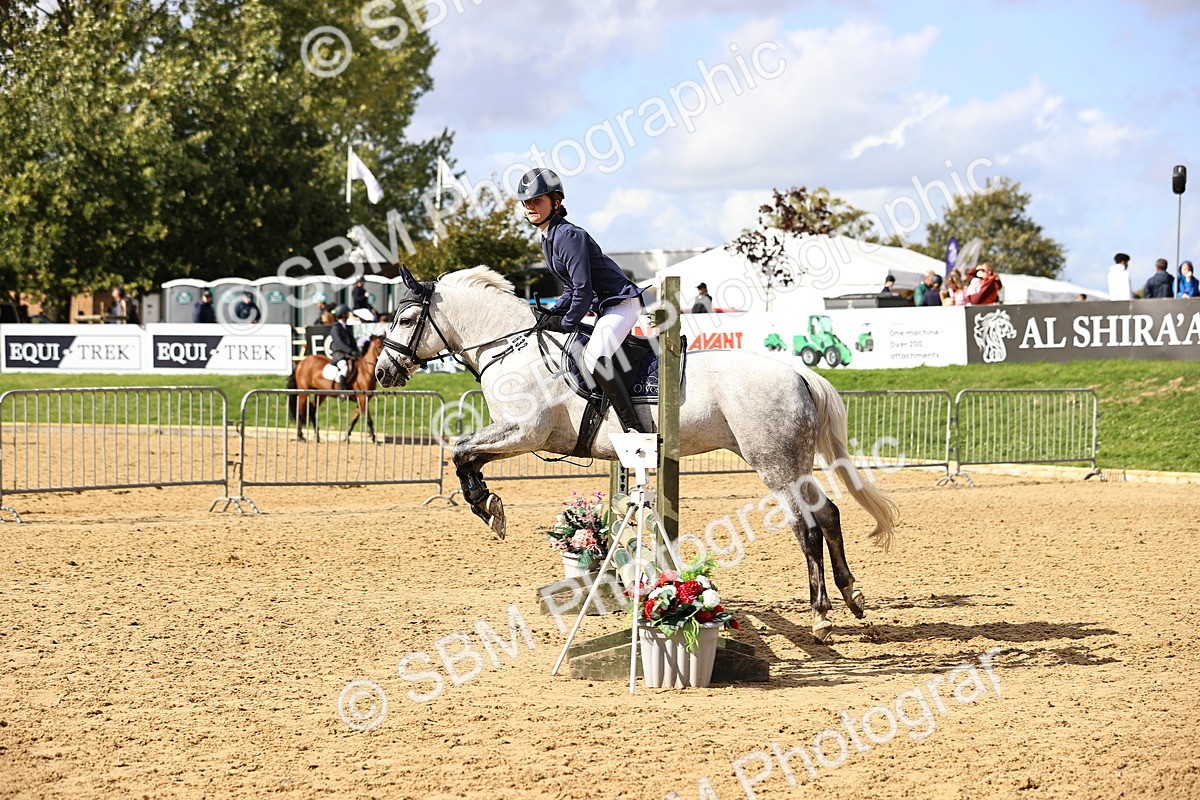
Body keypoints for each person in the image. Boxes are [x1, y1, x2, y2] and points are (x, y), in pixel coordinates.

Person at [517, 167, 646, 433]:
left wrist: (566, 321)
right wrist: (549, 313)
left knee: (594, 357)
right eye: (527, 202)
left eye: (537, 201)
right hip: (605, 307)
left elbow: (583, 289)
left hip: (621, 303)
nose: (531, 207)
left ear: (556, 202)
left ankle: (634, 429)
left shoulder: (567, 235)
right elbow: (570, 289)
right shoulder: (549, 238)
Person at [327, 305, 359, 390]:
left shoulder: (346, 327)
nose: (349, 315)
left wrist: (357, 351)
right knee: (344, 367)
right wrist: (350, 351)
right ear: (343, 315)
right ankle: (342, 390)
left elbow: (352, 341)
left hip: (347, 354)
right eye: (347, 314)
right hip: (339, 353)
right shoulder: (335, 328)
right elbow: (339, 342)